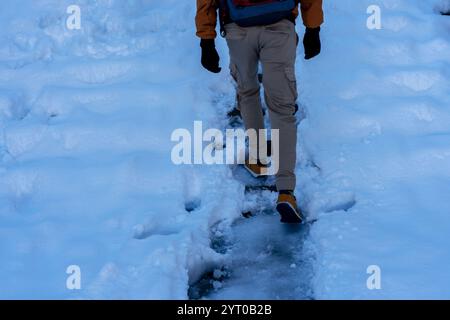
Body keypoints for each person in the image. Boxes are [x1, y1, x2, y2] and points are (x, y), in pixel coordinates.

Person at [195, 0, 323, 223]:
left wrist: (206, 40)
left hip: (238, 28)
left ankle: (259, 156)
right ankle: (285, 191)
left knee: (247, 93)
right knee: (282, 108)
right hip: (279, 27)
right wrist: (313, 28)